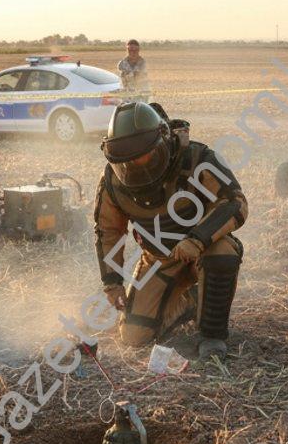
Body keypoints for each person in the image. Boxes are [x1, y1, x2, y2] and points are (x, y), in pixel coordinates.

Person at [94, 102, 247, 362]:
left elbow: (235, 203)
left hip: (205, 249)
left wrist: (197, 239)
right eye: (127, 162)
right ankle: (191, 300)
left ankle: (212, 336)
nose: (136, 166)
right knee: (134, 336)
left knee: (222, 255)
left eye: (145, 157)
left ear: (164, 141)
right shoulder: (112, 180)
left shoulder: (198, 159)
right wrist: (112, 283)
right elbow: (108, 231)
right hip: (158, 259)